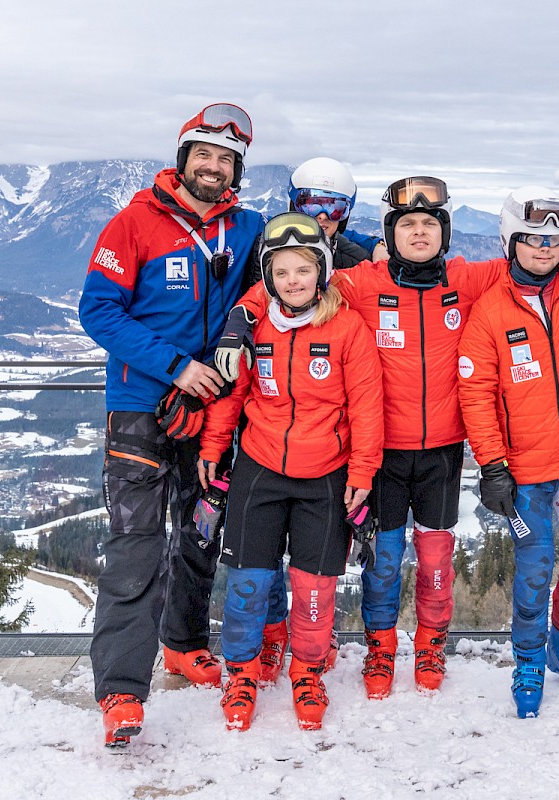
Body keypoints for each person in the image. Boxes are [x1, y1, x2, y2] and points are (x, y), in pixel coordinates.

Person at [215, 176, 504, 699]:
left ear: (445, 231)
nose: (420, 232)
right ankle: (381, 646)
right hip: (382, 452)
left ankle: (432, 643)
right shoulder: (361, 283)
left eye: (430, 223)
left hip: (442, 449)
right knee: (384, 560)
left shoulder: (467, 278)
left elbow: (539, 264)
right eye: (408, 224)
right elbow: (294, 279)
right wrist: (242, 315)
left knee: (436, 558)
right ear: (391, 233)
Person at [78, 102, 264, 747]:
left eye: (226, 159)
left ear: (237, 169)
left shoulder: (247, 229)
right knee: (136, 546)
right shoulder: (134, 224)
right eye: (202, 155)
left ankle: (183, 643)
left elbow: (295, 270)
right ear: (182, 160)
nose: (213, 167)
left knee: (201, 531)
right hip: (142, 407)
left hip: (212, 407)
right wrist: (177, 368)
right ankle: (122, 691)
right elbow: (99, 311)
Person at [198, 212, 384, 731]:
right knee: (248, 584)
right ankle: (241, 674)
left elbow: (367, 407)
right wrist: (214, 445)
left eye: (303, 269)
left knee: (314, 590)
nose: (293, 281)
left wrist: (362, 473)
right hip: (260, 469)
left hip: (325, 474)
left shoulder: (347, 327)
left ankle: (307, 673)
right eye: (281, 272)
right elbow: (233, 392)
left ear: (321, 271)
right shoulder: (254, 327)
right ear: (268, 278)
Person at [457, 187, 559, 718]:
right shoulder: (489, 311)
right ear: (511, 242)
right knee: (535, 563)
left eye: (555, 240)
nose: (545, 248)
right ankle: (527, 657)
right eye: (532, 239)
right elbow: (476, 393)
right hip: (523, 468)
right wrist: (492, 464)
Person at [246, 156, 385, 686]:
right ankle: (272, 635)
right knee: (260, 552)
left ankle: (311, 642)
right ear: (292, 202)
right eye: (310, 204)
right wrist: (241, 317)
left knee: (315, 560)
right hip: (268, 424)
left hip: (330, 435)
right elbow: (265, 288)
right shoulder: (267, 245)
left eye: (334, 207)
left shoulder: (354, 257)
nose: (322, 216)